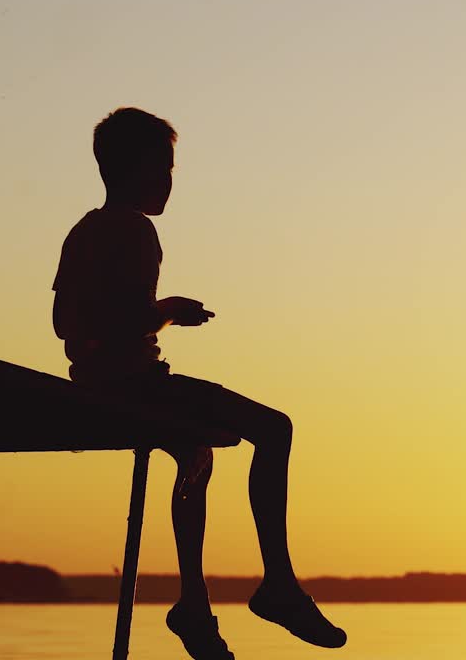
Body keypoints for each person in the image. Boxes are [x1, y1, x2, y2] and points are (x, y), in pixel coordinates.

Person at [51, 107, 346, 658]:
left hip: (96, 382)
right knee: (274, 429)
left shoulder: (84, 230)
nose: (168, 182)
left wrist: (153, 316)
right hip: (130, 385)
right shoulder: (136, 231)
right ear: (134, 169)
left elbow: (64, 323)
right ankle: (278, 584)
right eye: (164, 168)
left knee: (196, 453)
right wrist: (168, 311)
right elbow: (112, 321)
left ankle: (193, 602)